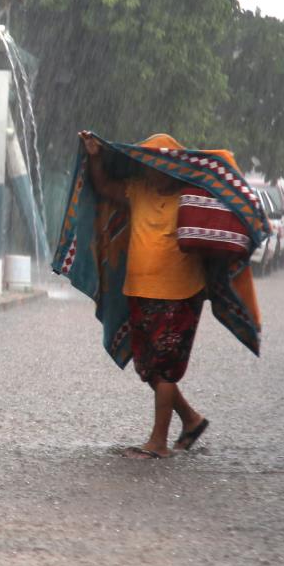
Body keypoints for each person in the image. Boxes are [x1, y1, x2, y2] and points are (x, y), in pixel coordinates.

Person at [79, 130, 211, 459]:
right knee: (150, 368)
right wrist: (95, 157)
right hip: (140, 291)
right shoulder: (139, 190)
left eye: (162, 165)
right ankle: (191, 420)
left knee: (165, 367)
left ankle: (158, 443)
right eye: (151, 164)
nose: (155, 170)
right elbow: (104, 187)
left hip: (179, 294)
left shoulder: (190, 197)